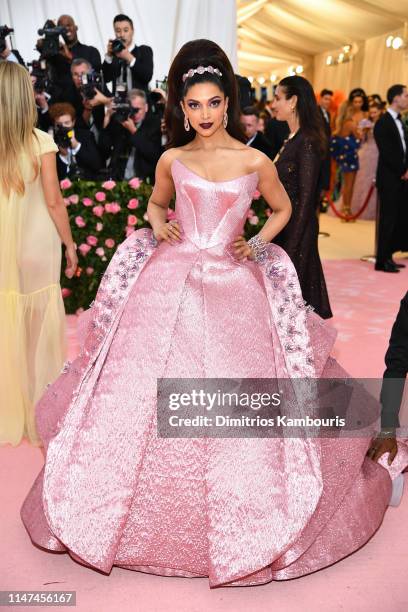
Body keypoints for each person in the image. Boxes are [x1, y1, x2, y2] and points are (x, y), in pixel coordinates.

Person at [21, 39, 407, 588]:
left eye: (213, 103)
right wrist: (157, 225)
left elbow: (285, 207)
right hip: (169, 278)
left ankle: (250, 513)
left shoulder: (254, 159)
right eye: (193, 105)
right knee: (133, 391)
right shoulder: (172, 159)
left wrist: (257, 241)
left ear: (227, 104)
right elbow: (156, 203)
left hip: (234, 283)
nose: (203, 114)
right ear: (183, 108)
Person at [0, 62, 77, 447]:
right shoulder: (41, 141)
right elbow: (54, 201)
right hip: (36, 247)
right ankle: (36, 411)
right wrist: (70, 244)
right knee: (34, 336)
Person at [271, 76, 333, 319]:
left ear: (293, 101)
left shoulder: (306, 141)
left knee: (296, 297)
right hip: (285, 227)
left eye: (278, 98)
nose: (273, 104)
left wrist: (294, 243)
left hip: (298, 229)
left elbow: (307, 199)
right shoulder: (292, 139)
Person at [374, 84, 408, 273]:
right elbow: (387, 152)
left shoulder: (400, 121)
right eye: (406, 95)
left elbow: (403, 148)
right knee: (387, 220)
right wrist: (402, 169)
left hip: (400, 177)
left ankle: (388, 256)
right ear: (396, 98)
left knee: (395, 219)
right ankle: (381, 260)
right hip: (389, 178)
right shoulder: (383, 122)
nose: (407, 98)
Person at [99, 88, 162, 182]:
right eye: (132, 109)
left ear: (146, 108)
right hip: (118, 179)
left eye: (137, 110)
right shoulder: (120, 122)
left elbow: (154, 154)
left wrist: (133, 131)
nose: (134, 114)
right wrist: (107, 118)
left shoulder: (155, 124)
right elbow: (103, 150)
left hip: (143, 180)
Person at [49, 103, 103, 180]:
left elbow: (97, 165)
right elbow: (51, 173)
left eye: (67, 123)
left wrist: (76, 145)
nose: (64, 127)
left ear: (73, 122)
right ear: (54, 124)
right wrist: (63, 156)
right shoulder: (51, 140)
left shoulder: (86, 136)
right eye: (59, 125)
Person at [102, 13, 153, 96]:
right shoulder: (114, 55)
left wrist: (129, 57)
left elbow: (147, 76)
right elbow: (105, 79)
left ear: (132, 31)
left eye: (126, 30)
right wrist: (108, 56)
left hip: (139, 106)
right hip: (118, 105)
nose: (122, 35)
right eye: (118, 31)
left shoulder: (144, 50)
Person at [350, 102, 383, 220]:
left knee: (375, 179)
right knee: (363, 179)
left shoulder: (383, 123)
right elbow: (361, 139)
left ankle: (375, 210)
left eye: (375, 112)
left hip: (379, 153)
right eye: (371, 112)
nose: (373, 114)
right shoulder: (365, 122)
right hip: (367, 152)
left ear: (380, 111)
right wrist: (362, 133)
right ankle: (358, 208)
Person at [330, 101, 361, 218]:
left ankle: (345, 208)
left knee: (346, 183)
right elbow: (359, 137)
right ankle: (346, 209)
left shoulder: (340, 122)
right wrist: (362, 131)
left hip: (344, 156)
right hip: (351, 157)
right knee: (349, 185)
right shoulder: (350, 123)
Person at [318, 89, 333, 197]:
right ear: (320, 99)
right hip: (319, 150)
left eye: (330, 99)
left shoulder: (327, 113)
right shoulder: (316, 112)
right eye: (326, 99)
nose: (328, 101)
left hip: (326, 149)